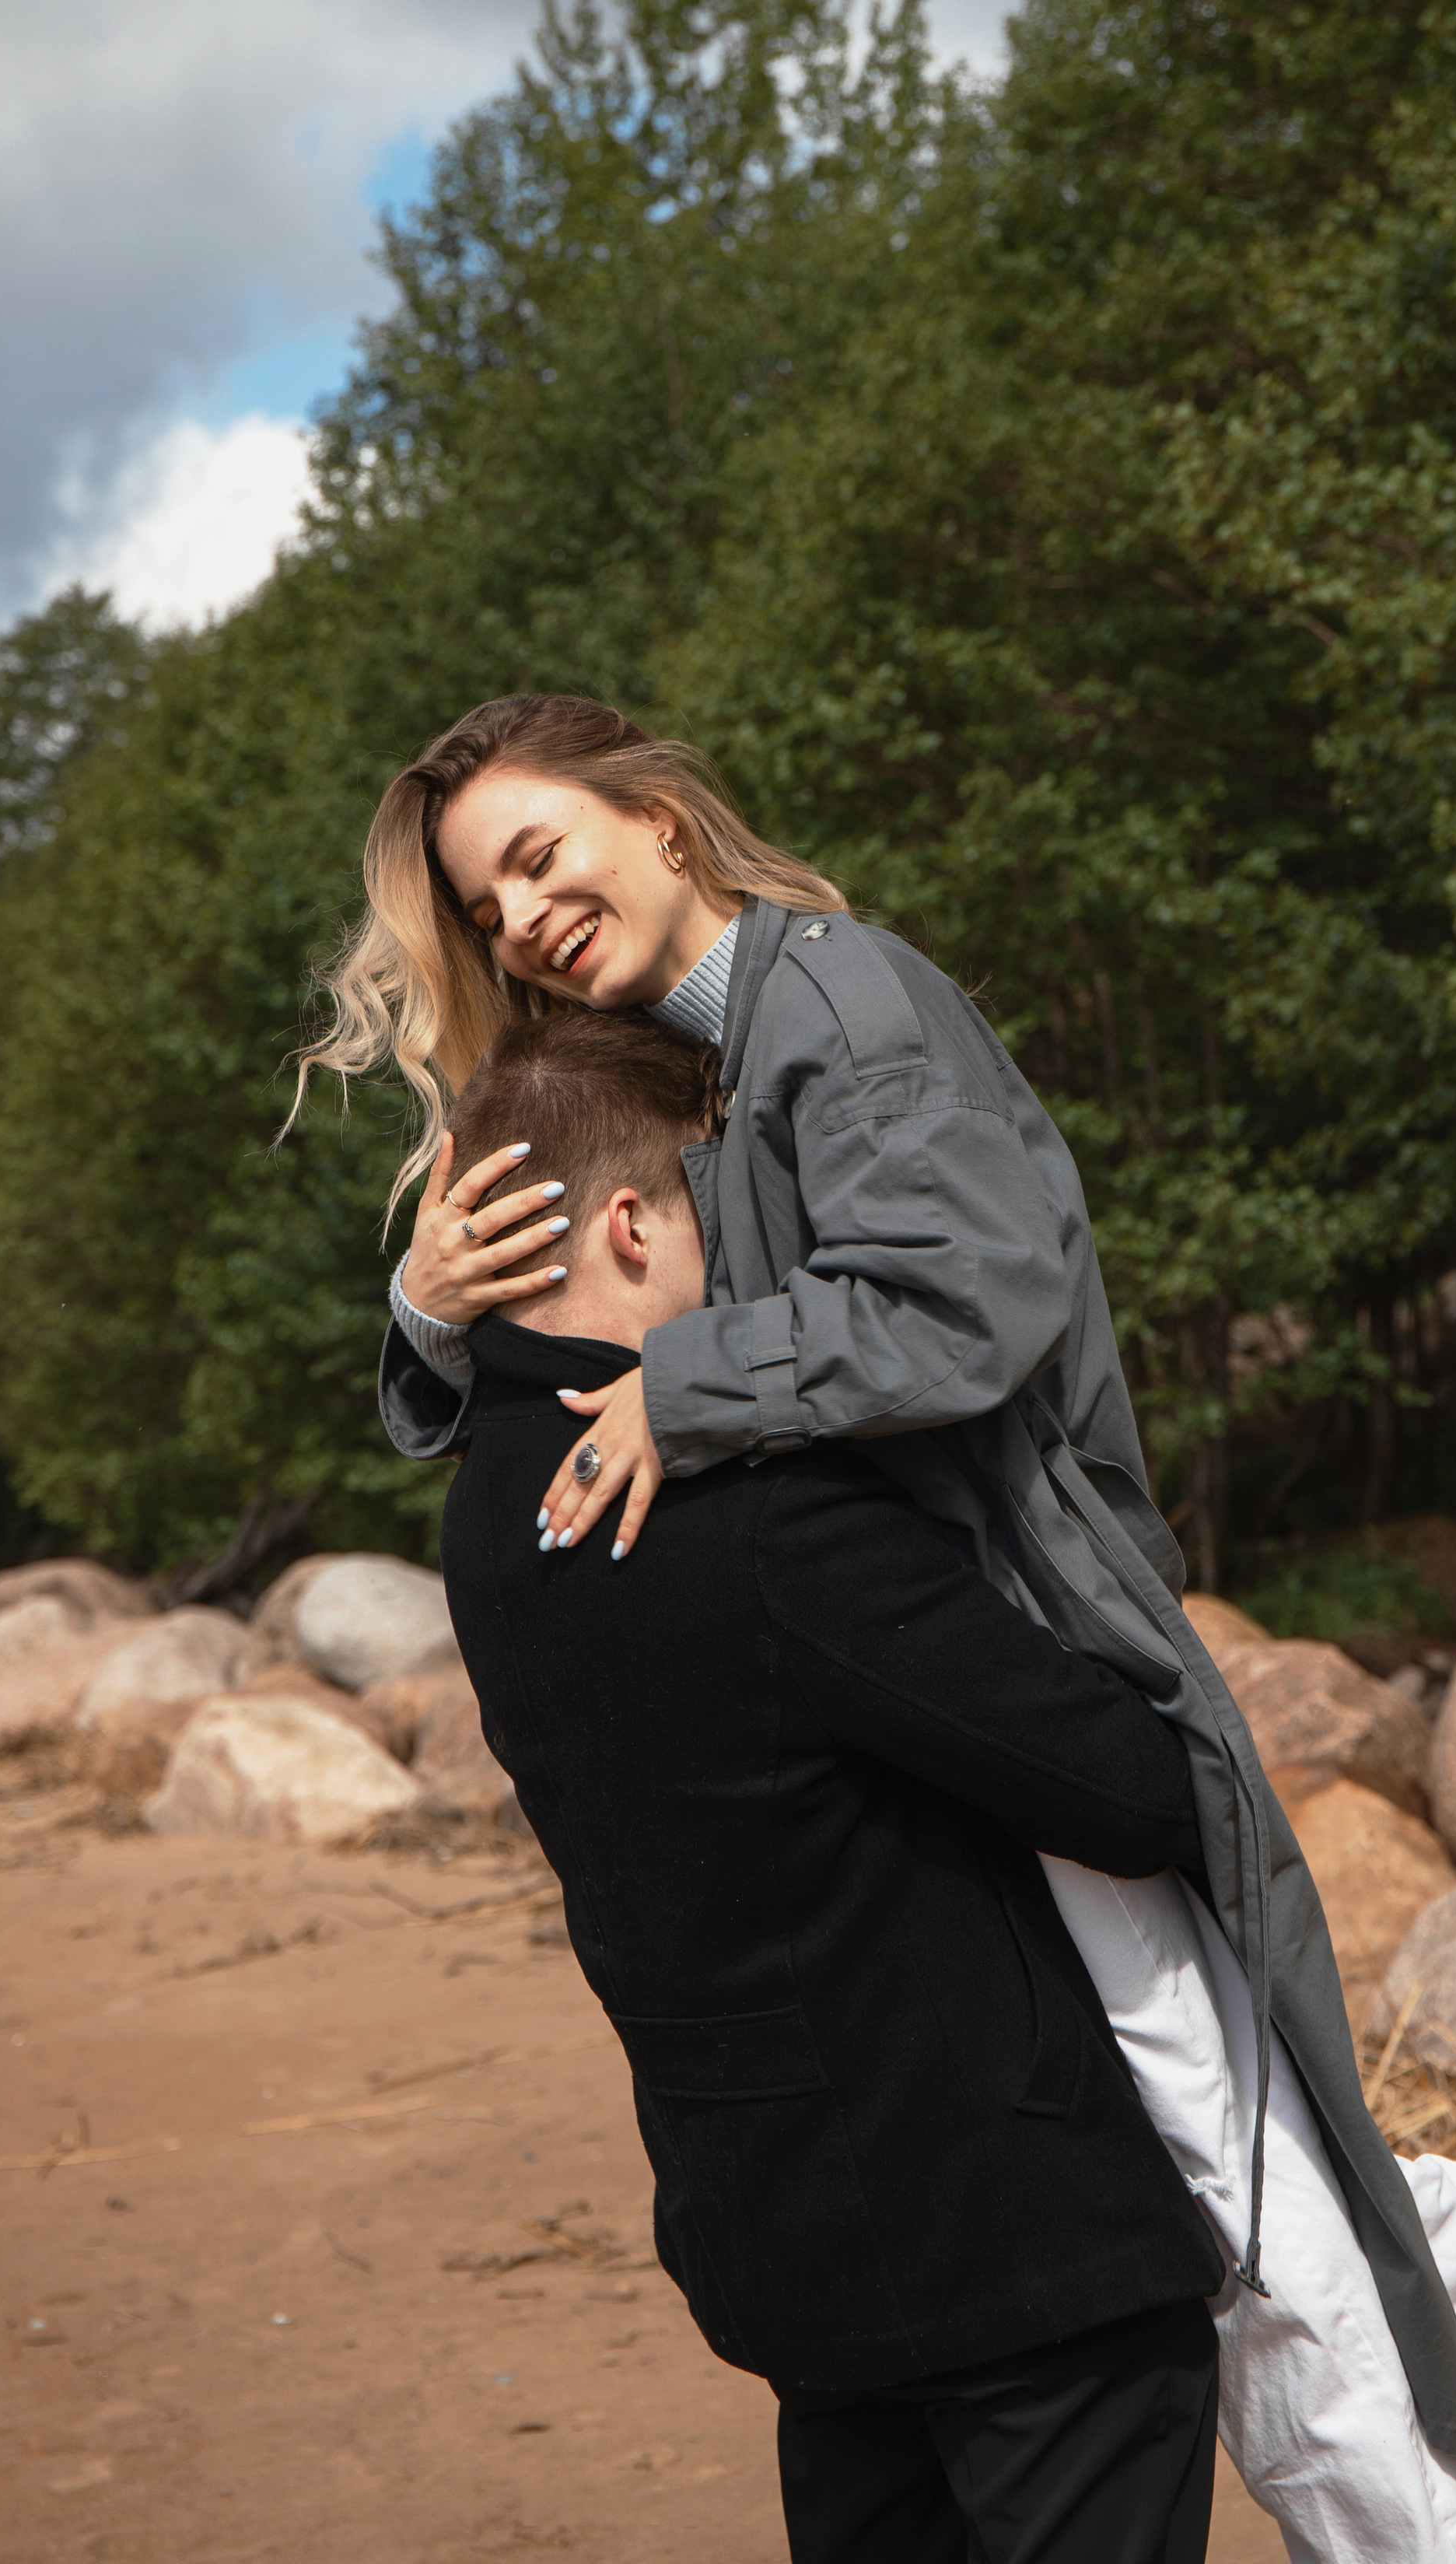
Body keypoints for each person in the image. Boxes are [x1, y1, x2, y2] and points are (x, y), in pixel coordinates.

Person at [296, 692, 1456, 2564]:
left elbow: (965, 1303)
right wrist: (430, 1309)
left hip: (1015, 1633)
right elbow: (561, 1339)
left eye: (535, 856)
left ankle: (1451, 2343)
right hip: (909, 1681)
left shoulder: (841, 1008)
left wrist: (690, 1381)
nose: (517, 921)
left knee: (1241, 2222)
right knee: (1207, 2153)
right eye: (484, 906)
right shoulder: (693, 1053)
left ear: (655, 817)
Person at [438, 1004, 1228, 2564]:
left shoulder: (482, 1504)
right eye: (713, 1203)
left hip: (774, 2232)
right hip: (1009, 2239)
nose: (747, 1255)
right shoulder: (753, 1518)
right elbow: (1129, 1790)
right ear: (627, 1224)